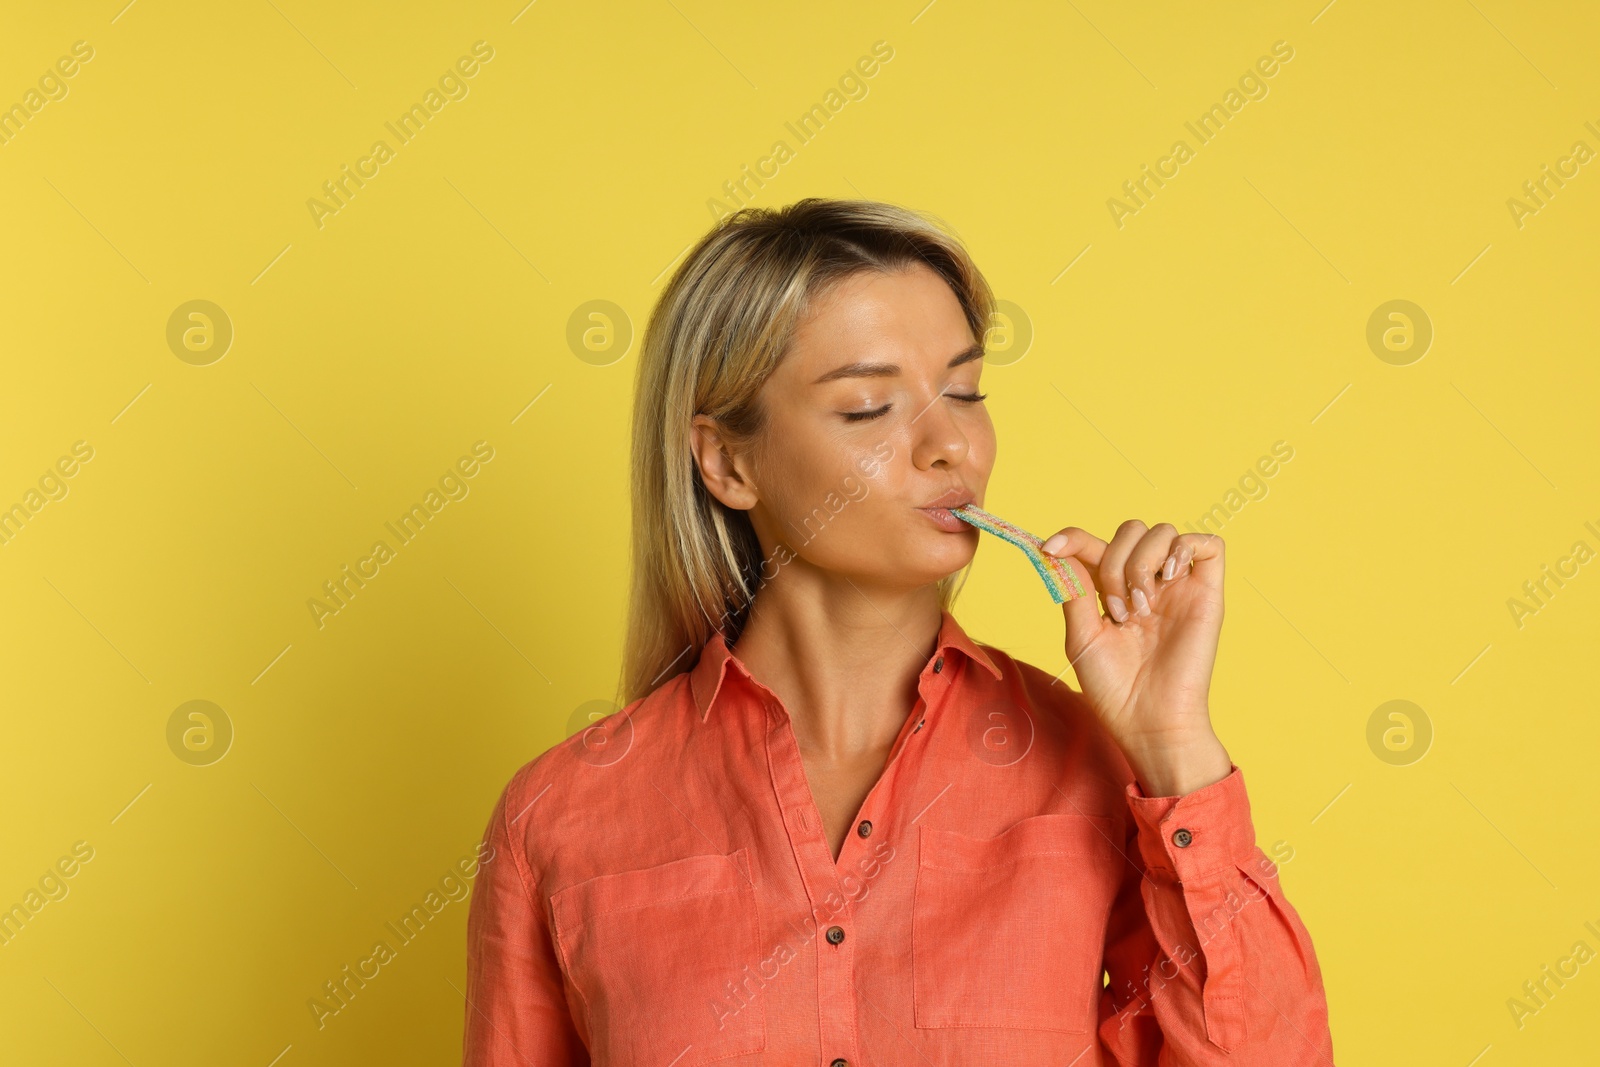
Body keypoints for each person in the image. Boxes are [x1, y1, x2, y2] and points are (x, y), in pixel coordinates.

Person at [462, 198, 1334, 1065]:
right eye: (870, 407)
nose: (952, 442)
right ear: (728, 462)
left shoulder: (1101, 773)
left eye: (964, 390)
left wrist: (1174, 742)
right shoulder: (559, 819)